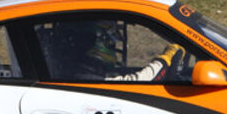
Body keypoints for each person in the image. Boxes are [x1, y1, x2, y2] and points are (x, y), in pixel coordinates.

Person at [48, 20, 183, 82]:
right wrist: (165, 59)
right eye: (111, 41)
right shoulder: (86, 78)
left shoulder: (82, 70)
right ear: (99, 41)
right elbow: (141, 81)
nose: (114, 45)